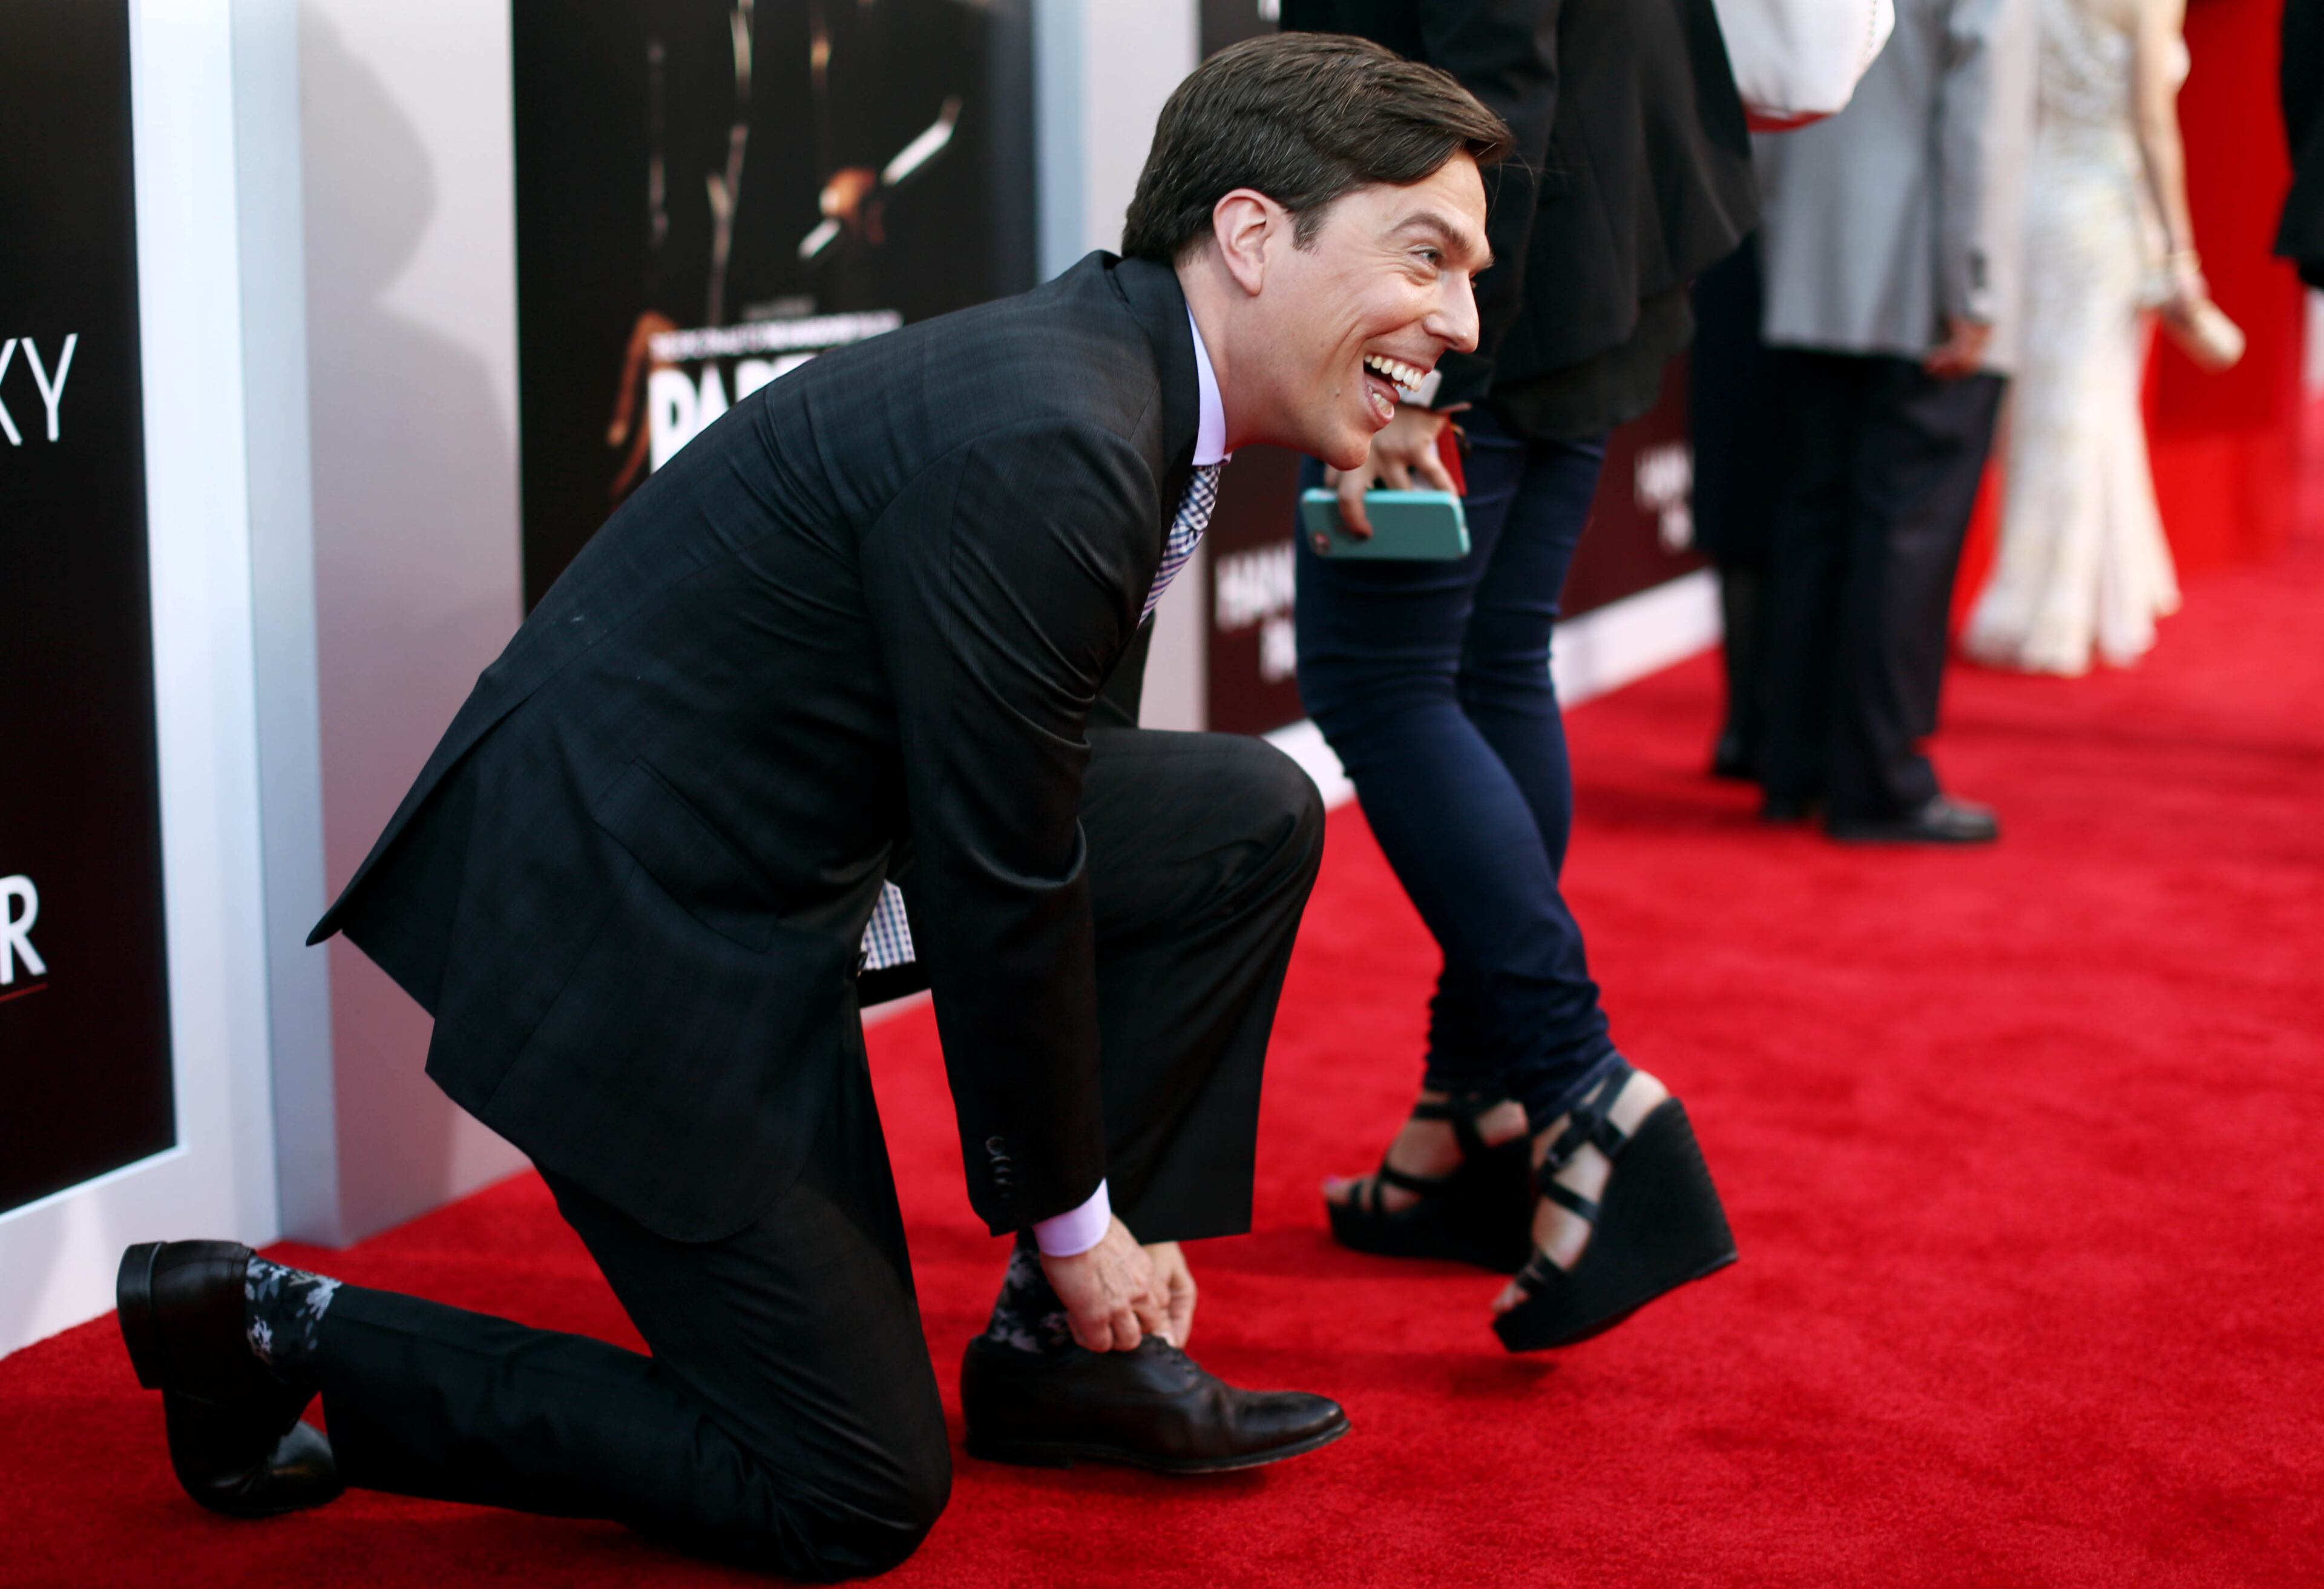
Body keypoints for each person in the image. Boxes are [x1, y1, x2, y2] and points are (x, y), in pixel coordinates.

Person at [111, 35, 1509, 1577]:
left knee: (1247, 812)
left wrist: (1086, 1210)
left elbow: (1044, 795)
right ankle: (273, 1328)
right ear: (1251, 239)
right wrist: (1073, 1212)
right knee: (845, 1488)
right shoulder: (1056, 436)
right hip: (629, 931)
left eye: (1466, 272)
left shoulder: (1118, 378)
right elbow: (1009, 872)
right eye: (1424, 258)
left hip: (781, 857)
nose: (1455, 317)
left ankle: (1060, 1350)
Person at [1281, 0, 1751, 1353]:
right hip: (1590, 241)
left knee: (1382, 679)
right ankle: (1474, 1111)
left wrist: (1418, 346)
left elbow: (1492, 65)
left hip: (1503, 269)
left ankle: (1583, 1091)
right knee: (1490, 666)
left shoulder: (1445, 308)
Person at [1753, 0, 2037, 843]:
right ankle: (1879, 778)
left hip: (1812, 257)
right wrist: (1975, 281)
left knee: (1817, 517)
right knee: (1906, 533)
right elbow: (1983, 106)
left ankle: (1793, 763)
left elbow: (1769, 75)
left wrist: (1786, 245)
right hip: (1921, 273)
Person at [1961, 0, 2216, 676]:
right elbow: (2153, 122)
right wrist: (2183, 253)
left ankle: (2067, 588)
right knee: (2085, 401)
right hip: (2104, 209)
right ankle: (2061, 605)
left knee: (2053, 402)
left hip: (2039, 199)